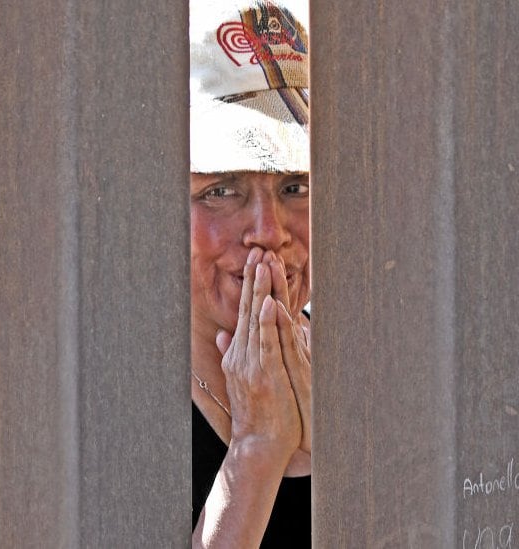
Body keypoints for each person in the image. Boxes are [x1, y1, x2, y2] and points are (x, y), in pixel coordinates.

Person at [188, 1, 312, 546]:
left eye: (295, 186)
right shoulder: (113, 392)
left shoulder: (374, 369)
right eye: (221, 190)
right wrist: (258, 448)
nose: (268, 231)